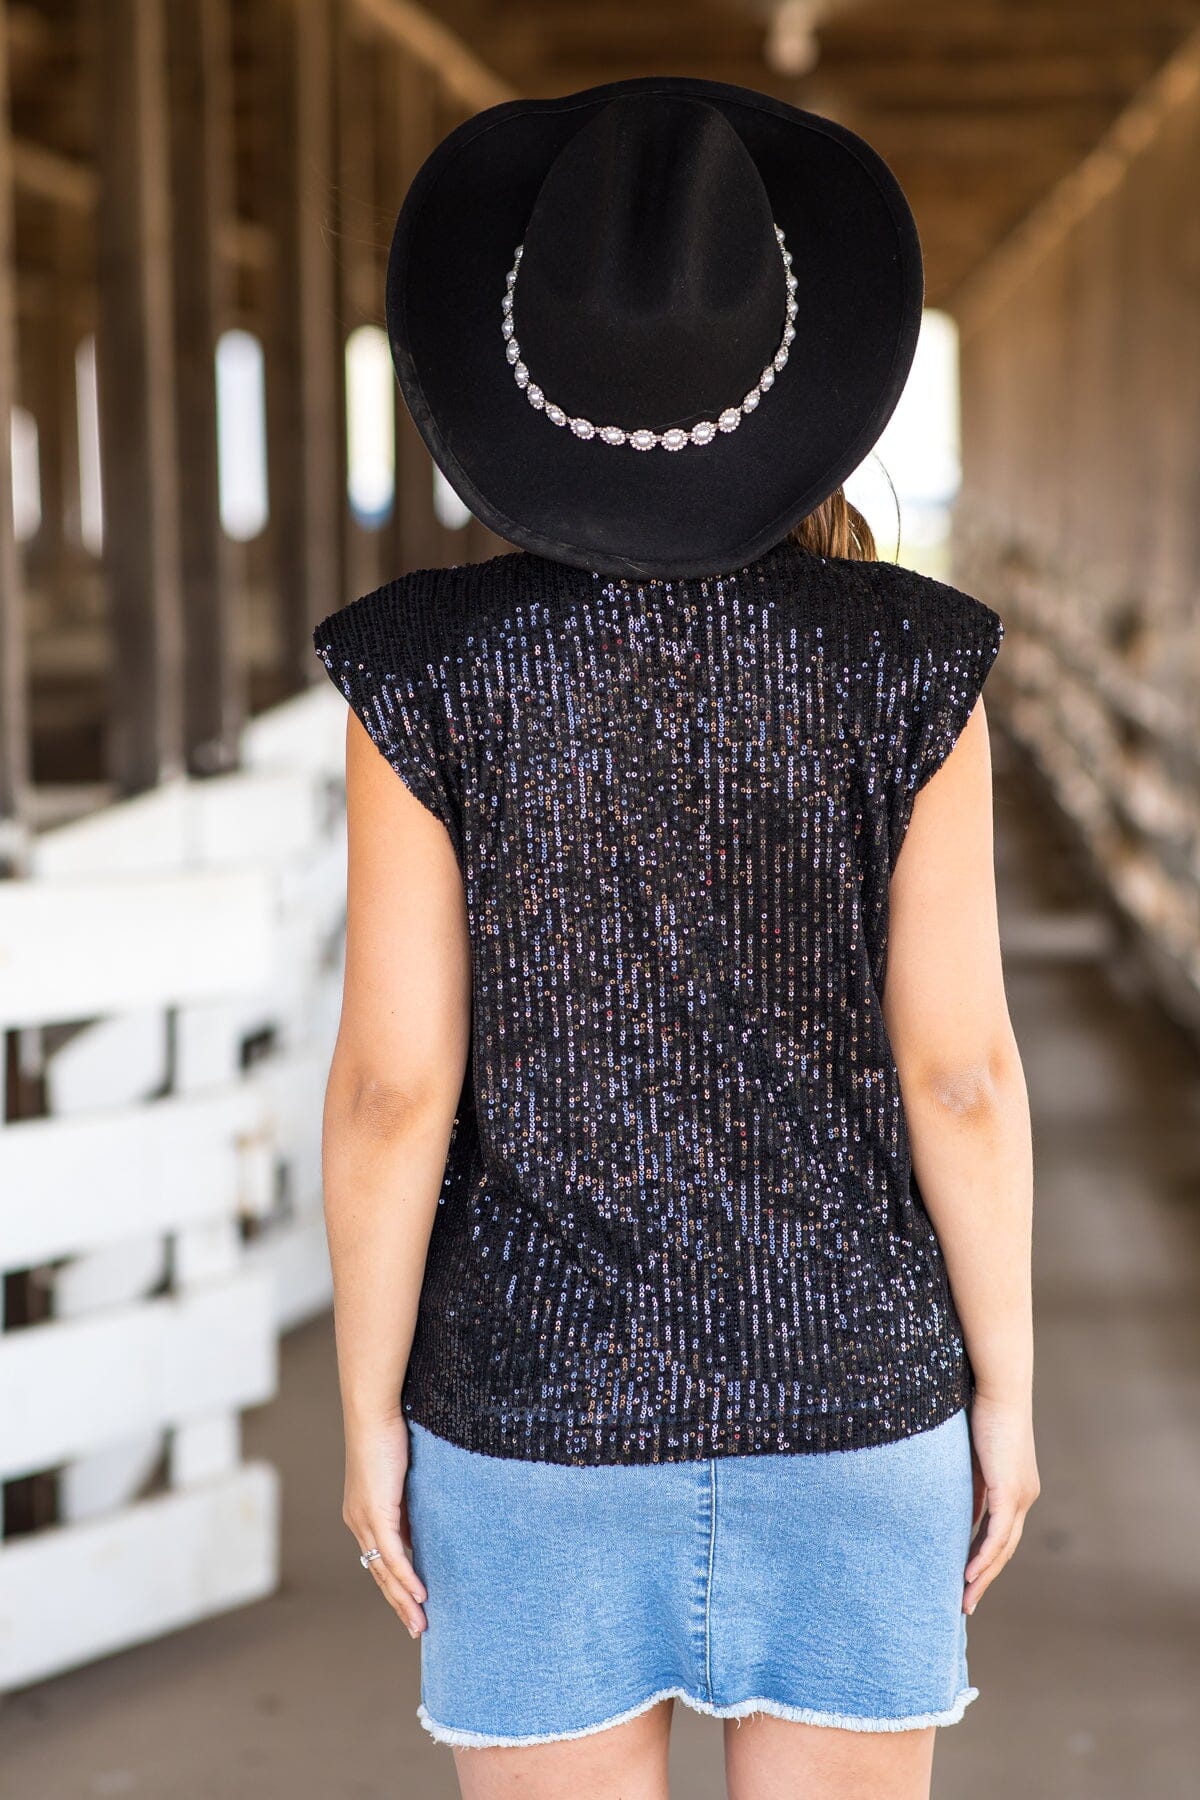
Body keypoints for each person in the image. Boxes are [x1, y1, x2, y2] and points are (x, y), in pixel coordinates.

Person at [312, 76, 1038, 1800]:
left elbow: (395, 1096)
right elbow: (963, 1079)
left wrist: (362, 1418)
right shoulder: (919, 665)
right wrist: (1003, 1399)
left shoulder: (421, 671)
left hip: (530, 1420)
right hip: (860, 1400)